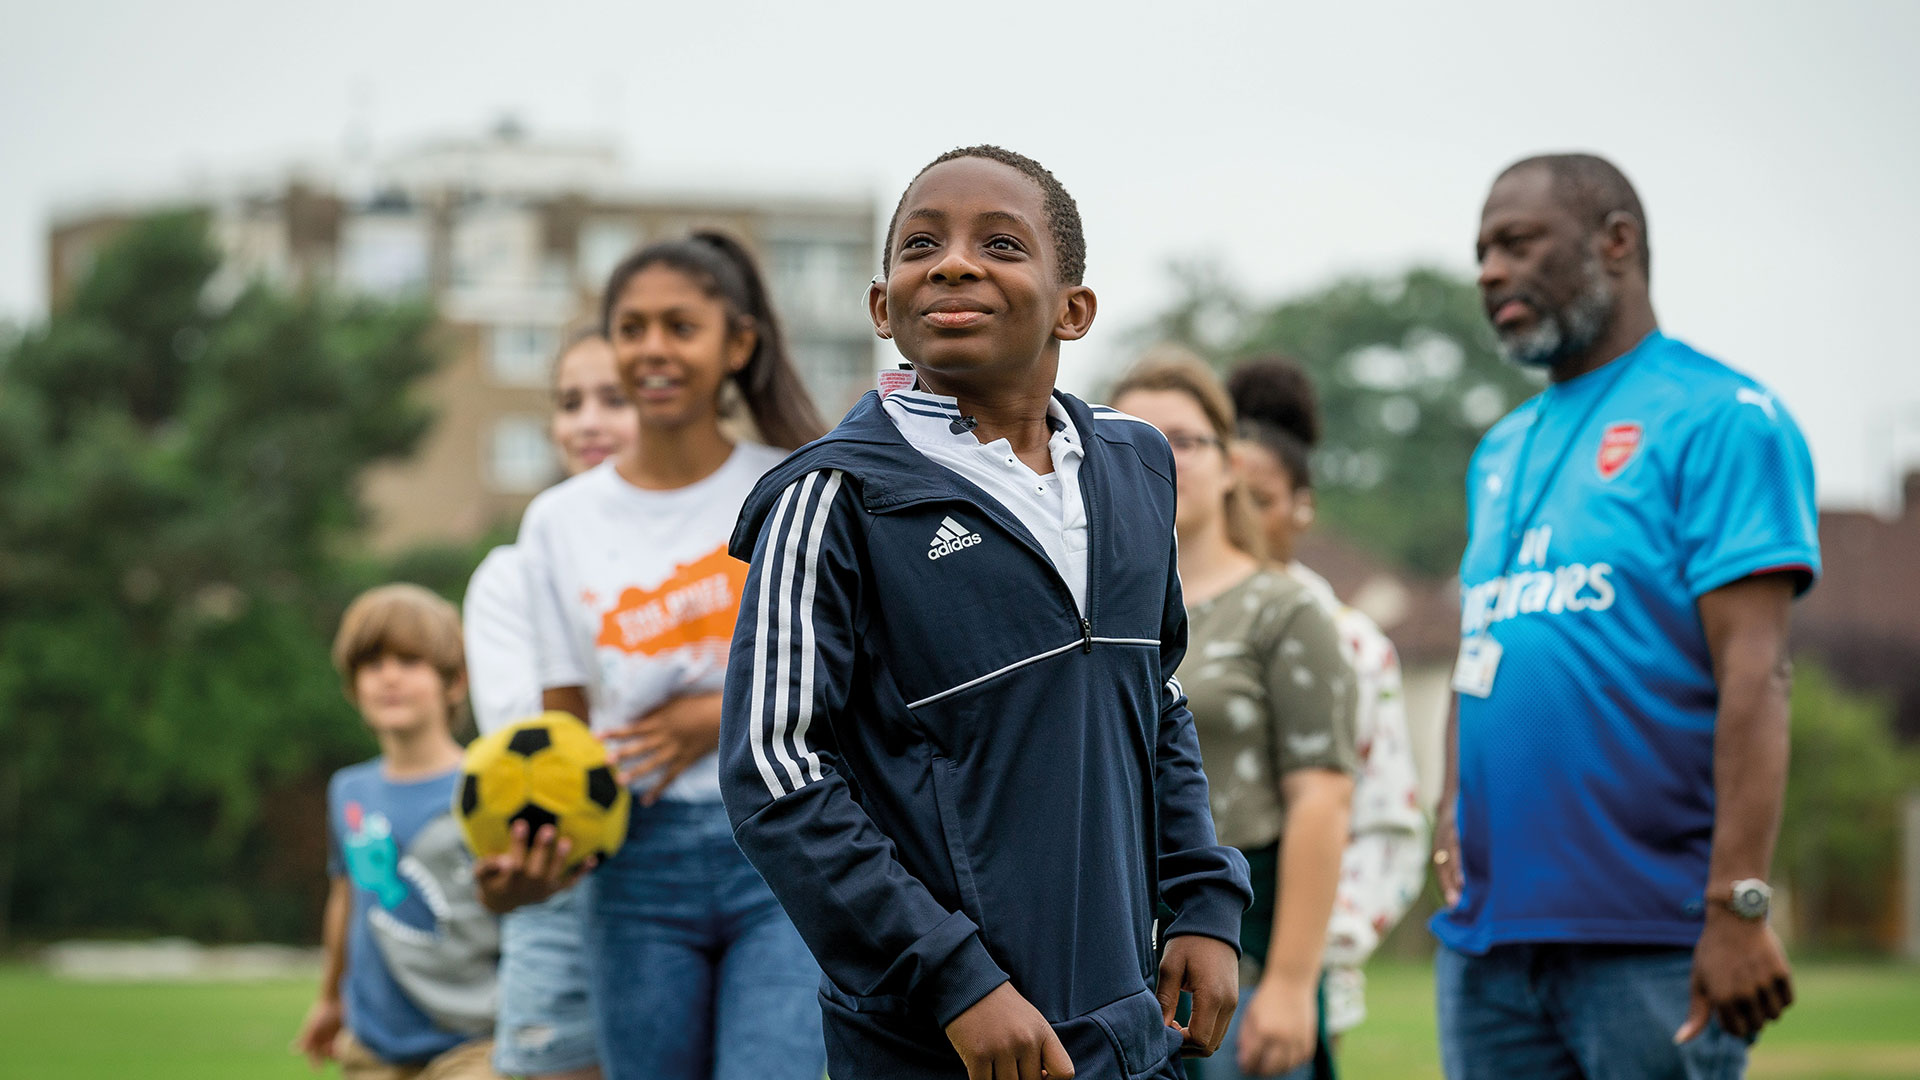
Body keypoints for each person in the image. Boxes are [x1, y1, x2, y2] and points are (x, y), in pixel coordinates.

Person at [717, 145, 1253, 1080]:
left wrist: (1203, 896)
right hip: (936, 1040)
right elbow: (774, 771)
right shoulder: (830, 496)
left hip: (1127, 1028)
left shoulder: (1140, 468)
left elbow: (1154, 701)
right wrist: (954, 977)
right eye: (922, 244)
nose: (954, 262)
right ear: (883, 307)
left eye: (1000, 244)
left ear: (1073, 309)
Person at [1431, 153, 1820, 1079]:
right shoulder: (1500, 447)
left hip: (1652, 938)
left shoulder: (1722, 417)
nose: (1489, 270)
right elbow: (1483, 643)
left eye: (1517, 243)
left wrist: (1739, 906)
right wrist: (1452, 809)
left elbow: (1757, 674)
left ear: (1617, 242)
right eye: (1481, 250)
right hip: (1487, 944)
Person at [485, 231, 830, 1080]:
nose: (654, 349)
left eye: (681, 326)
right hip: (633, 868)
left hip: (782, 848)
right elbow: (564, 727)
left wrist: (711, 717)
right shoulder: (558, 523)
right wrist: (527, 861)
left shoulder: (794, 487)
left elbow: (855, 679)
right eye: (632, 327)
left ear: (736, 345)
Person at [1111, 354, 1357, 1080]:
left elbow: (1323, 800)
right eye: (1136, 435)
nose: (1160, 455)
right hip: (1112, 959)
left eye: (1184, 439)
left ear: (1230, 464)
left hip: (1239, 956)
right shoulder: (1085, 613)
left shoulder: (1285, 609)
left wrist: (1287, 985)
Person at [1226, 356, 1429, 1042]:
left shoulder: (1352, 645)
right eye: (1227, 497)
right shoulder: (1165, 629)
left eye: (1259, 499)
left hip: (1287, 996)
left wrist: (1299, 962)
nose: (1239, 519)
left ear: (1302, 506)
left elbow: (1388, 824)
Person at [462, 328, 638, 1080]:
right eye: (571, 403)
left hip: (712, 881)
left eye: (614, 399)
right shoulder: (510, 575)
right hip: (565, 882)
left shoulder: (716, 553)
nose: (589, 422)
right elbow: (528, 745)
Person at [294, 584, 503, 1080]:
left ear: (454, 682)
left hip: (475, 1042)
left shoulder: (488, 782)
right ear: (353, 686)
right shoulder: (349, 789)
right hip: (373, 1046)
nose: (389, 677)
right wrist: (329, 1000)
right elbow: (345, 900)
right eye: (371, 664)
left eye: (409, 662)